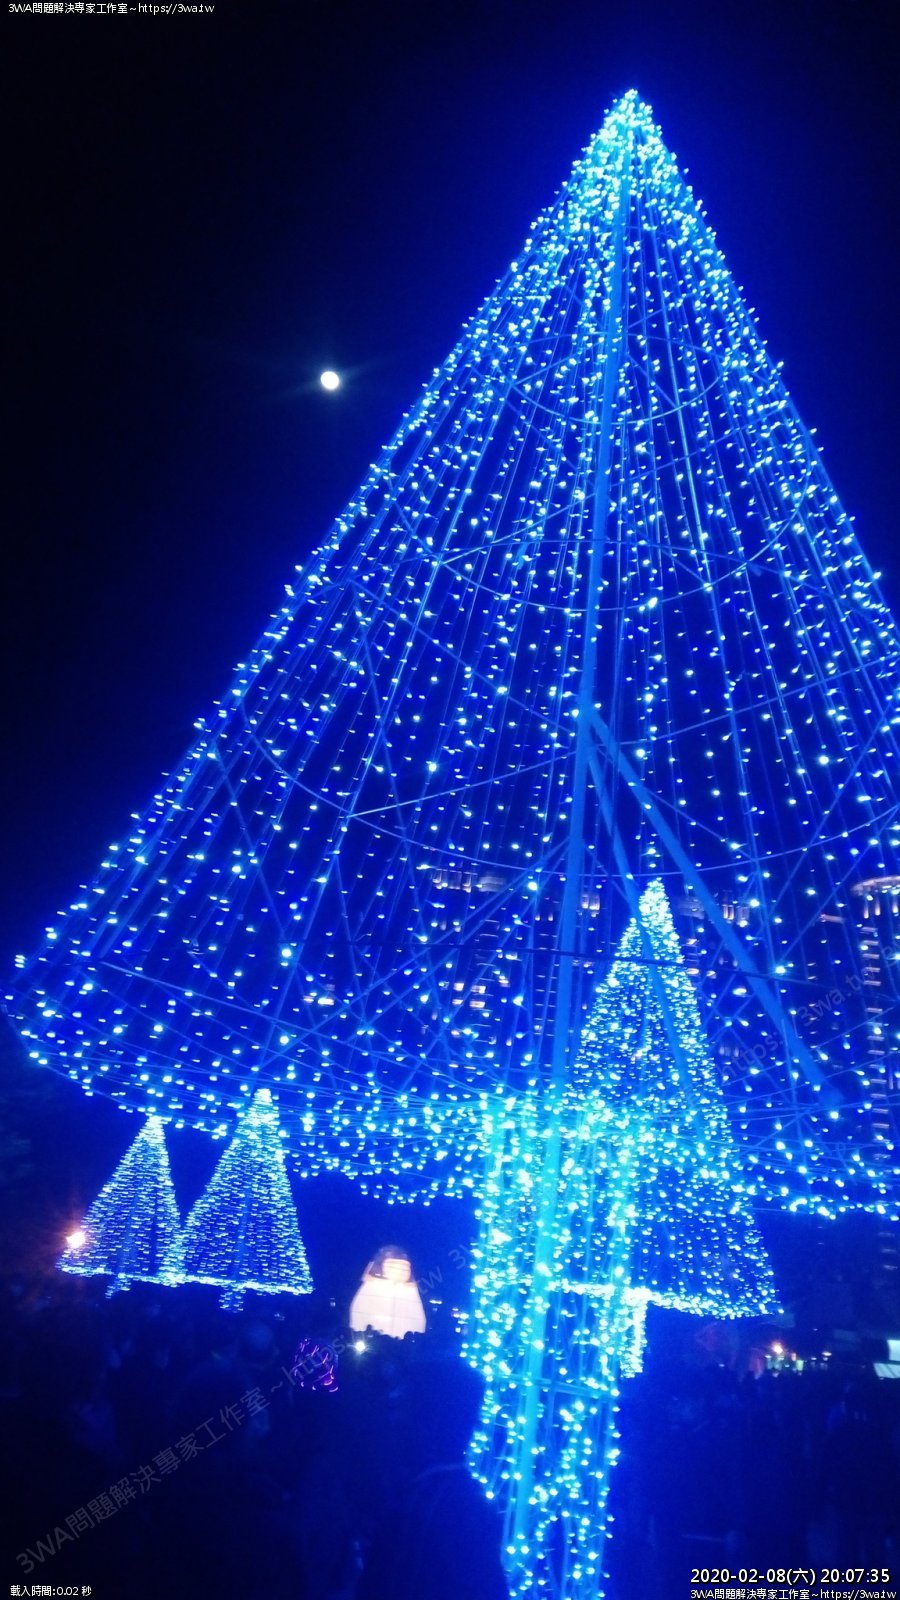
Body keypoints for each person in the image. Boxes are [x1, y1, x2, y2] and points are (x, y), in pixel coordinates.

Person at [357, 1358, 509, 1599]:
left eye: (403, 1405)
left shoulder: (440, 1505)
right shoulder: (443, 1496)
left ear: (429, 1419)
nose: (393, 1420)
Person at [349, 1246, 426, 1339]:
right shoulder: (371, 1287)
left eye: (402, 1267)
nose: (397, 1270)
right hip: (372, 1340)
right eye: (392, 1266)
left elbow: (416, 1321)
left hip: (401, 1342)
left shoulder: (409, 1291)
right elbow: (359, 1315)